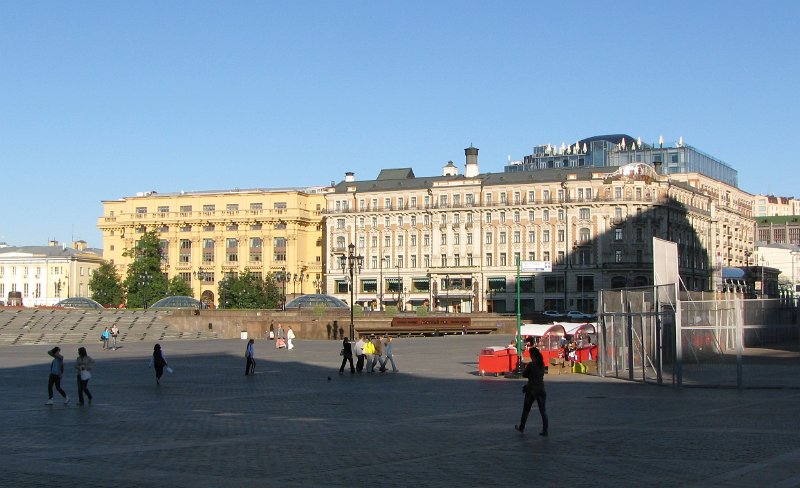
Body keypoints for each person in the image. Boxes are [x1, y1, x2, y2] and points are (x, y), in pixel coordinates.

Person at [515, 346, 549, 436]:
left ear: (533, 355)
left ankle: (521, 428)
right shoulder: (542, 364)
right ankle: (545, 430)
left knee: (526, 410)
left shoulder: (531, 365)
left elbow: (524, 374)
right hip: (541, 389)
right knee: (543, 411)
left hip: (531, 390)